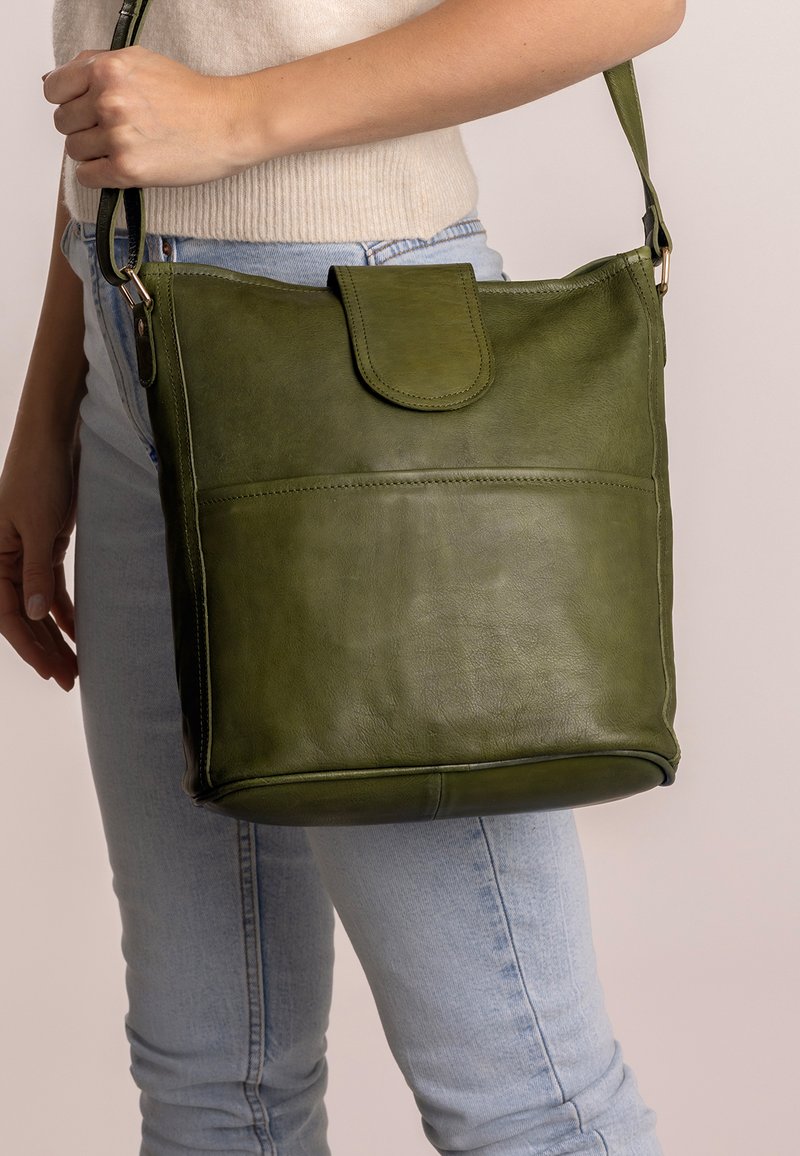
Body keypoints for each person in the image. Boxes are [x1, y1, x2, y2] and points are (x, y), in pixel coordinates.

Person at [1, 1, 685, 1153]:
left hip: (352, 344)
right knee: (210, 1081)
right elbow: (131, 77)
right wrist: (48, 414)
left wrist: (234, 118)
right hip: (130, 328)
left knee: (524, 1098)